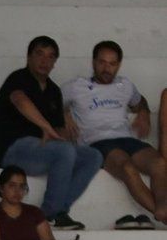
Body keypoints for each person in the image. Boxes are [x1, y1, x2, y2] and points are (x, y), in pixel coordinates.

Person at [0, 36, 101, 231]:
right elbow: (20, 100)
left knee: (93, 156)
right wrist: (46, 127)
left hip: (42, 149)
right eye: (39, 54)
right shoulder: (18, 78)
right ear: (29, 57)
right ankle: (49, 213)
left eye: (51, 57)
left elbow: (58, 130)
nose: (45, 61)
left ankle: (60, 211)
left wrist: (65, 125)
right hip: (14, 149)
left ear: (55, 62)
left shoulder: (54, 90)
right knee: (64, 151)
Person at [62, 41, 166, 229]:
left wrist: (144, 112)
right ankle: (162, 215)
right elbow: (49, 101)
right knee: (127, 167)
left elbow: (140, 101)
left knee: (159, 163)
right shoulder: (76, 86)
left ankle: (163, 209)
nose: (106, 68)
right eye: (102, 62)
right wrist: (64, 114)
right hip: (97, 142)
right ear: (93, 62)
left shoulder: (124, 85)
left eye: (112, 63)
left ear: (118, 65)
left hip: (126, 139)